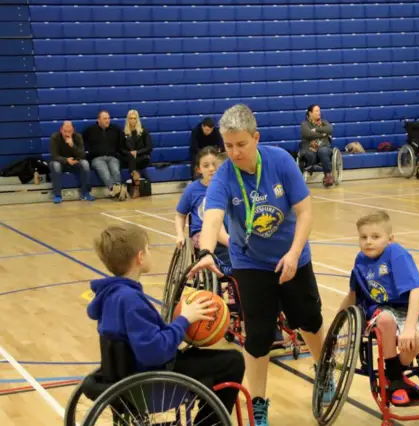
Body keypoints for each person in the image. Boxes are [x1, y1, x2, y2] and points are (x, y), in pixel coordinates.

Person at [188, 104, 330, 426]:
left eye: (241, 144)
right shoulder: (224, 175)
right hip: (250, 261)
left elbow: (305, 212)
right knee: (258, 334)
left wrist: (294, 254)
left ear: (256, 137)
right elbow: (212, 218)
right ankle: (259, 402)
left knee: (308, 320)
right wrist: (207, 252)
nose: (234, 152)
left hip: (292, 256)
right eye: (228, 146)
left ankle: (323, 372)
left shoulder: (280, 161)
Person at [88, 224, 245, 422]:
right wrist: (184, 320)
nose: (150, 253)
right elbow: (154, 351)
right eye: (148, 249)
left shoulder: (112, 295)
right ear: (140, 257)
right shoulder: (130, 300)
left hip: (131, 379)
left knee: (207, 358)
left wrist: (173, 327)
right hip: (152, 383)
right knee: (233, 361)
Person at [338, 210, 419, 407]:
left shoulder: (396, 253)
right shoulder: (360, 260)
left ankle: (395, 373)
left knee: (412, 341)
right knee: (386, 319)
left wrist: (409, 328)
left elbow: (417, 290)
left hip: (408, 308)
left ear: (390, 239)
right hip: (381, 310)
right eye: (363, 237)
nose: (368, 242)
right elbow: (353, 295)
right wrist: (336, 325)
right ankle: (395, 380)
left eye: (375, 237)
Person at [175, 147, 232, 275]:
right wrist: (179, 234)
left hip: (224, 231)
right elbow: (180, 215)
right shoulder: (192, 189)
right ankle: (225, 272)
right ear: (199, 169)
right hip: (201, 233)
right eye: (206, 166)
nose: (211, 169)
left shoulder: (228, 186)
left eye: (214, 165)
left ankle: (232, 278)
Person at [82, 110, 126, 200]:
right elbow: (82, 142)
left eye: (108, 118)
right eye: (105, 118)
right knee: (105, 173)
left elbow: (122, 143)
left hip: (112, 156)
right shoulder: (90, 130)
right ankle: (116, 191)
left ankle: (116, 192)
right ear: (99, 120)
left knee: (116, 171)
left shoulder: (116, 129)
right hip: (97, 158)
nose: (107, 120)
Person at [49, 121, 94, 204]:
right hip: (60, 162)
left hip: (74, 162)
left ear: (73, 130)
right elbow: (54, 156)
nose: (67, 134)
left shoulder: (78, 137)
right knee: (55, 165)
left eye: (69, 131)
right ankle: (57, 195)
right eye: (65, 131)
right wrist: (66, 160)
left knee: (85, 164)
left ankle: (85, 193)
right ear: (61, 130)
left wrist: (72, 145)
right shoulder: (55, 137)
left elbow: (82, 154)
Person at [121, 109, 153, 198]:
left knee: (133, 160)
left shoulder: (143, 132)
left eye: (135, 118)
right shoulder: (123, 133)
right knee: (131, 158)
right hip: (128, 158)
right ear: (127, 119)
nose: (133, 120)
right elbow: (120, 149)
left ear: (137, 119)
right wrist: (130, 153)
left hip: (142, 157)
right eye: (130, 118)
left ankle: (134, 185)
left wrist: (137, 152)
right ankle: (136, 185)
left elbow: (149, 147)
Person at [300, 104, 334, 186]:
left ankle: (328, 176)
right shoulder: (304, 124)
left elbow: (330, 129)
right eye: (316, 111)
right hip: (311, 149)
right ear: (310, 113)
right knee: (310, 154)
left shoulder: (324, 122)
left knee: (323, 151)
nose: (319, 113)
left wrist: (316, 129)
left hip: (324, 147)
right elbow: (308, 134)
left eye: (319, 111)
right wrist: (323, 134)